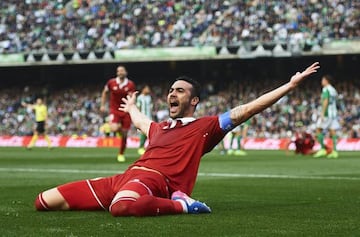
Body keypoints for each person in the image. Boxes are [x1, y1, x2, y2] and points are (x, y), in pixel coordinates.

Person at [34, 62, 320, 217]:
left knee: (121, 208)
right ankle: (164, 200)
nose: (172, 93)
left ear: (194, 100)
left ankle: (183, 204)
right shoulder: (159, 127)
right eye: (171, 90)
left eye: (180, 91)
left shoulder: (205, 127)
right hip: (125, 178)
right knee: (44, 201)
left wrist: (290, 86)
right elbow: (141, 122)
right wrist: (131, 107)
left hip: (154, 181)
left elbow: (248, 108)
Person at [100, 65, 136, 162]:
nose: (120, 72)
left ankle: (121, 153)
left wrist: (132, 103)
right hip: (114, 110)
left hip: (126, 110)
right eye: (118, 71)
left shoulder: (130, 84)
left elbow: (132, 97)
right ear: (117, 73)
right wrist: (102, 105)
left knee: (124, 134)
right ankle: (116, 126)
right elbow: (104, 92)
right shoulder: (111, 83)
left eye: (122, 71)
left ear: (125, 72)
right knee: (114, 128)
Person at [313, 74, 340, 158]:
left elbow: (326, 101)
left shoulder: (326, 89)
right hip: (334, 113)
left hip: (327, 113)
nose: (321, 82)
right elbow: (336, 100)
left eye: (322, 80)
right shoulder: (333, 90)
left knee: (318, 130)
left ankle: (322, 149)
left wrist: (322, 113)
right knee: (333, 131)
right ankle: (335, 151)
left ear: (326, 81)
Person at [136, 85, 153, 155]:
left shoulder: (149, 97)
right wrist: (139, 117)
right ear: (143, 89)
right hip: (142, 117)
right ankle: (140, 147)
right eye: (147, 88)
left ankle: (148, 147)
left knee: (149, 132)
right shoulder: (139, 98)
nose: (148, 89)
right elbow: (138, 107)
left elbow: (151, 108)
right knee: (143, 132)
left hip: (149, 117)